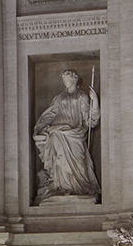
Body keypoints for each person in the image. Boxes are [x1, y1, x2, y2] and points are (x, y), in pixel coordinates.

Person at [32, 70, 100, 201]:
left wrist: (95, 102)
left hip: (75, 134)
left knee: (79, 162)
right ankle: (62, 187)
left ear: (74, 80)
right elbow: (50, 114)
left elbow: (89, 120)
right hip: (58, 132)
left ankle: (79, 188)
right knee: (59, 159)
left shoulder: (82, 96)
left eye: (67, 79)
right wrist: (40, 127)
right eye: (64, 80)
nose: (65, 82)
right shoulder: (59, 98)